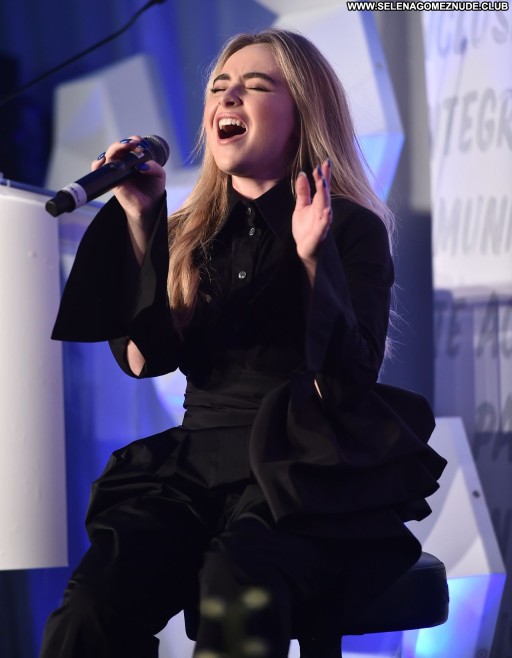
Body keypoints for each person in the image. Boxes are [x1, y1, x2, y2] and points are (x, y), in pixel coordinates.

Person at [40, 28, 446, 658]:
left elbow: (347, 378)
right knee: (94, 604)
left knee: (236, 591)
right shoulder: (186, 230)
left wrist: (313, 259)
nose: (228, 97)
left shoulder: (349, 226)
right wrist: (142, 221)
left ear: (302, 114)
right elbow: (143, 360)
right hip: (193, 465)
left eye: (255, 87)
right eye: (218, 87)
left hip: (299, 466)